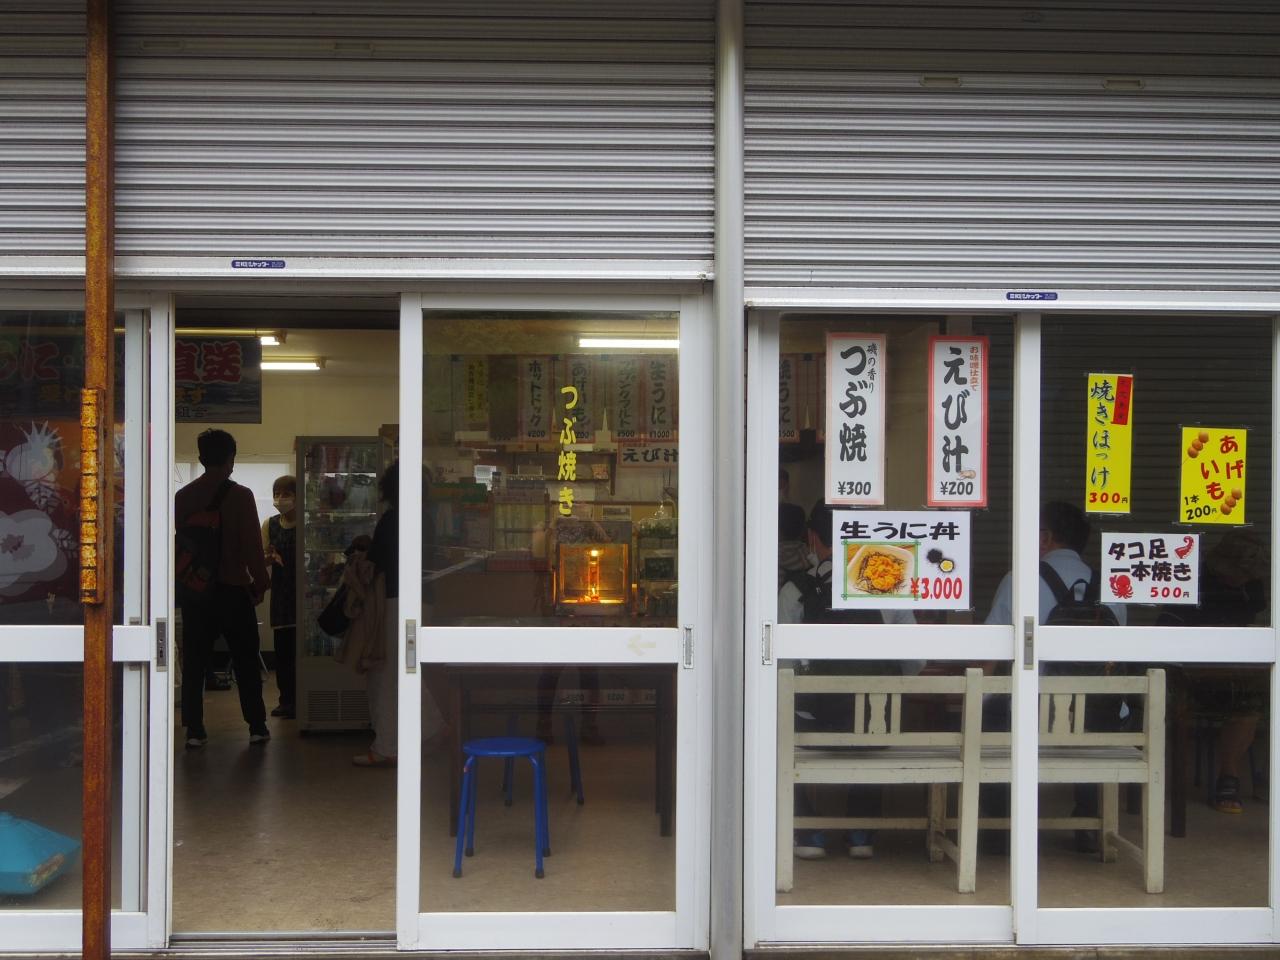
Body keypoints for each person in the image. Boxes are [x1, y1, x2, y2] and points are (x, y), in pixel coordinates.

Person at [984, 501, 1125, 852]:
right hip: (1099, 717)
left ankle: (999, 825)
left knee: (990, 715)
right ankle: (1089, 821)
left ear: (1045, 538)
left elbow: (990, 650)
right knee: (1089, 717)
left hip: (1033, 716)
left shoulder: (1020, 580)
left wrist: (979, 696)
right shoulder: (1111, 586)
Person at [778, 500, 916, 860]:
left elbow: (782, 668)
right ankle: (861, 832)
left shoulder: (795, 591)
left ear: (812, 537)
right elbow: (915, 660)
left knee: (773, 730)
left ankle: (809, 831)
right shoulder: (887, 583)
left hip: (811, 724)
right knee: (874, 716)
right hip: (874, 725)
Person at [1158, 530, 1268, 814]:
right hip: (1190, 675)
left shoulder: (1252, 588)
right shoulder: (1190, 579)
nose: (1242, 578)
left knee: (1251, 705)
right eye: (1238, 573)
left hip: (1236, 672)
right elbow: (1165, 632)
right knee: (1177, 707)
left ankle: (1230, 777)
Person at [175, 429, 271, 748]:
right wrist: (261, 583)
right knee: (245, 659)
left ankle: (194, 730)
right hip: (233, 589)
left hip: (196, 591)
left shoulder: (183, 497)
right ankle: (256, 726)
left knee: (195, 661)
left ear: (201, 458)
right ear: (231, 458)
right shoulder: (241, 496)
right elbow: (252, 547)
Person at [353, 460, 400, 768]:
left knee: (383, 674)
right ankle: (431, 730)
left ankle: (386, 746)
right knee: (406, 672)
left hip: (391, 602)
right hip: (419, 600)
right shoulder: (425, 516)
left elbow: (376, 562)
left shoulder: (391, 519)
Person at [261, 475, 298, 719]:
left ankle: (303, 697)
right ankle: (286, 700)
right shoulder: (270, 524)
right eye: (277, 493)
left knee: (302, 652)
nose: (280, 498)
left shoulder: (309, 522)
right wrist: (269, 558)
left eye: (286, 493)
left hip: (306, 596)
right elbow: (261, 558)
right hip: (281, 596)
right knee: (283, 651)